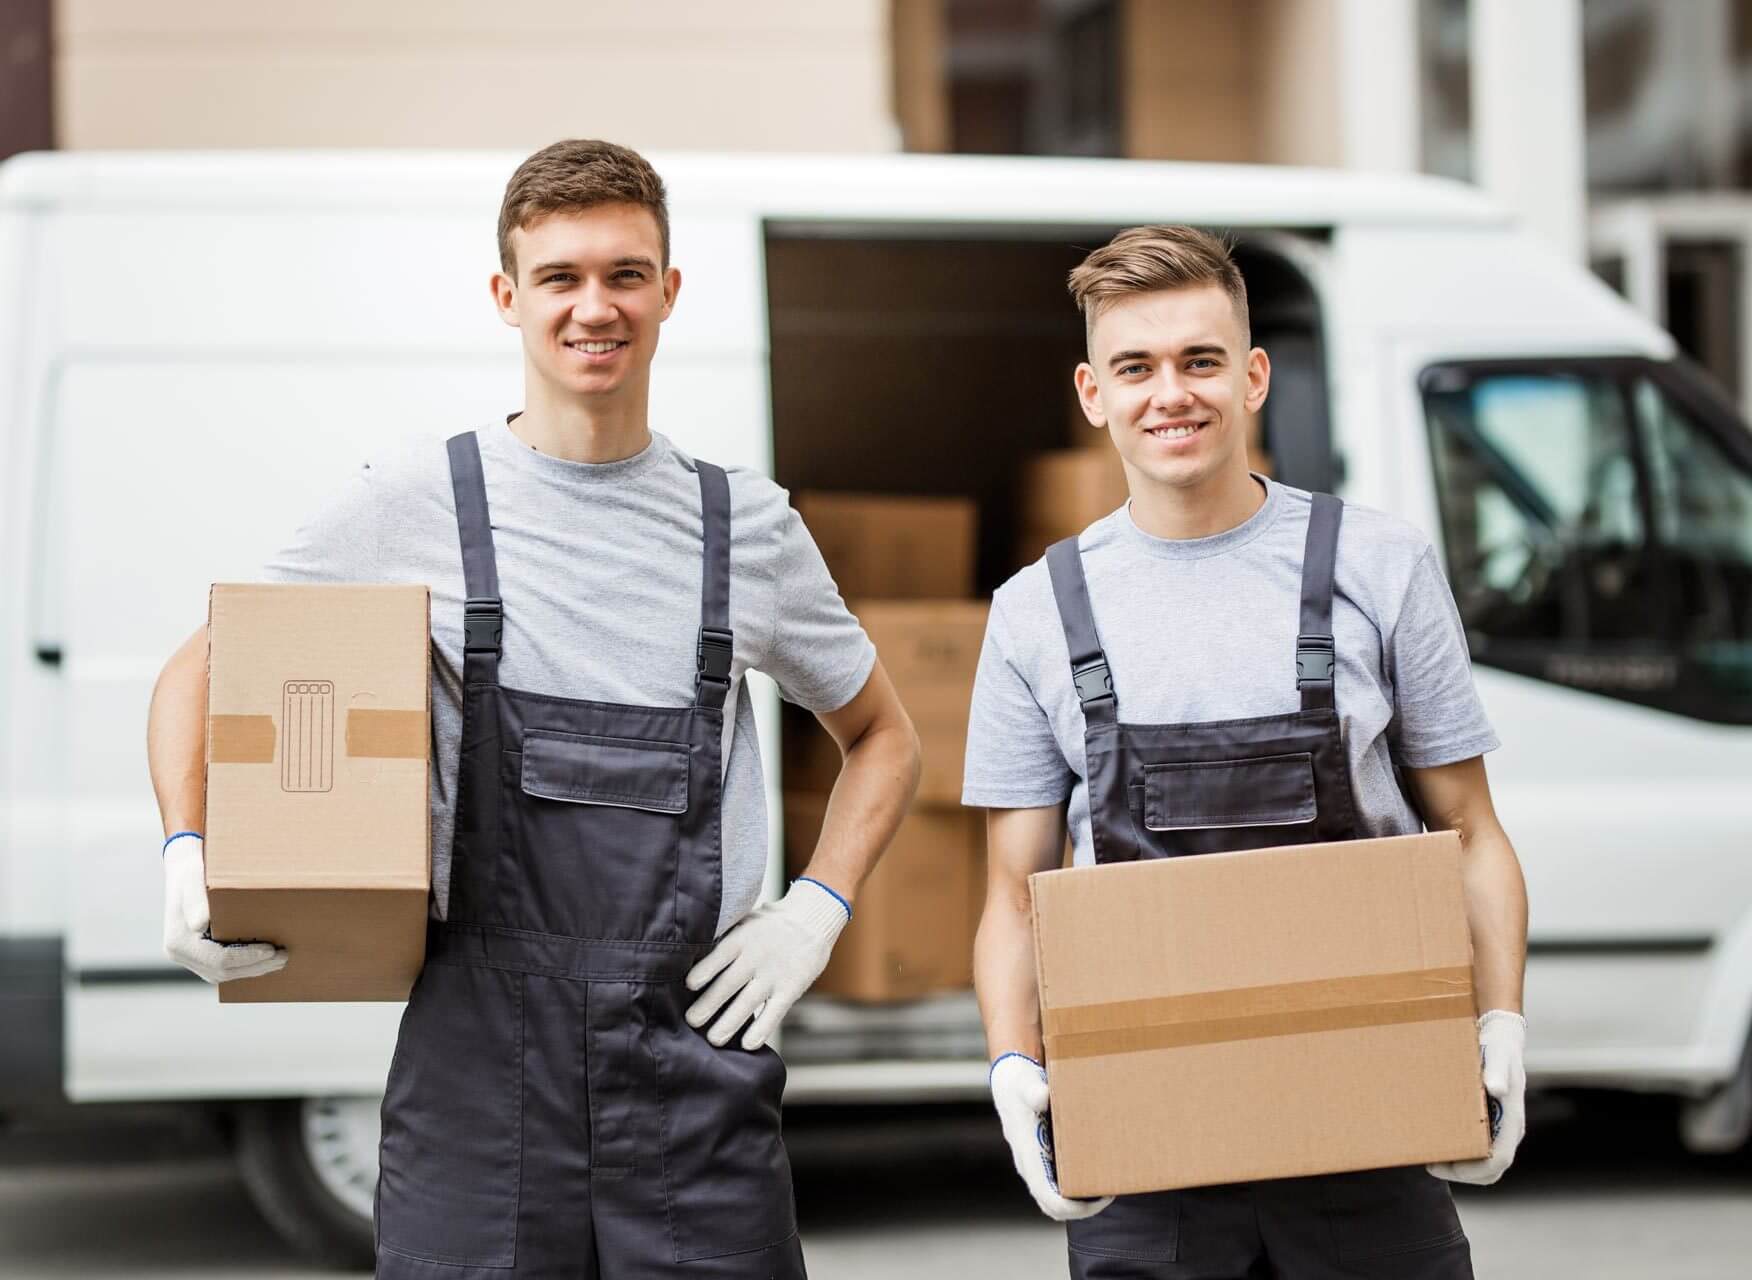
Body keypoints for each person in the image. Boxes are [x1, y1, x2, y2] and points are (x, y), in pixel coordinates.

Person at [146, 138, 921, 1278]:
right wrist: (186, 846)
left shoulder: (744, 528)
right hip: (479, 1083)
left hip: (691, 1073)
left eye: (623, 273)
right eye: (559, 277)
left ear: (668, 290)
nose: (593, 307)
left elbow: (884, 738)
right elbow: (202, 666)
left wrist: (816, 908)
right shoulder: (419, 499)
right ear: (509, 297)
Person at [964, 225, 1528, 1279]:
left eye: (1200, 359)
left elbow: (1473, 830)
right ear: (1093, 392)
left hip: (1374, 1140)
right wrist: (1013, 1061)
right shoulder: (1037, 611)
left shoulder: (1380, 564)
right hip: (1145, 1164)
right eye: (1135, 366)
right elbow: (1014, 891)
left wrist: (1500, 1021)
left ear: (1254, 374)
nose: (1168, 392)